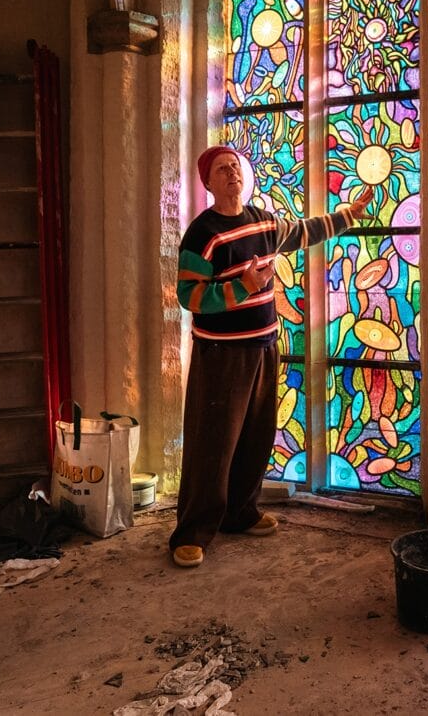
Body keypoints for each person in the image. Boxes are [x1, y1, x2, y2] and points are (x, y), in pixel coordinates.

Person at [170, 145, 375, 568]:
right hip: (222, 354)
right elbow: (189, 296)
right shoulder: (202, 234)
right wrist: (242, 287)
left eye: (235, 168)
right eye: (222, 170)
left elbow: (302, 231)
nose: (232, 174)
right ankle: (192, 531)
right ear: (208, 183)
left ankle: (239, 513)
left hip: (264, 344)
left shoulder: (262, 220)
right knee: (214, 444)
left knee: (256, 436)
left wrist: (348, 215)